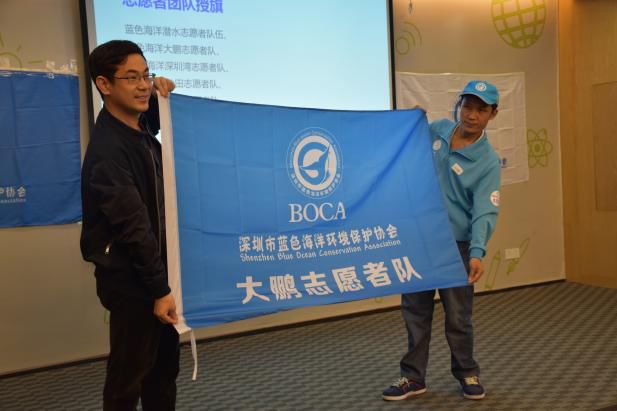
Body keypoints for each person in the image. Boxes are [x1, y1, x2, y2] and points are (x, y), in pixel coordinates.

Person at [383, 80, 501, 401]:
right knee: (415, 312)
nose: (472, 115)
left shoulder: (488, 161)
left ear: (492, 114)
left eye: (481, 110)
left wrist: (477, 252)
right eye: (467, 106)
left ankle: (467, 372)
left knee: (458, 317)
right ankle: (413, 377)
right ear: (458, 106)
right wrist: (410, 120)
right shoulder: (438, 130)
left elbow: (485, 210)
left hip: (457, 247)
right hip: (420, 240)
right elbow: (405, 144)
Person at [80, 39, 179, 411]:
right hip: (133, 280)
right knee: (129, 377)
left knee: (163, 371)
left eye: (146, 76)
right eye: (132, 78)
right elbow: (133, 228)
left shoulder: (135, 128)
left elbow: (149, 125)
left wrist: (161, 99)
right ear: (104, 85)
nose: (143, 85)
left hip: (157, 273)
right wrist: (160, 289)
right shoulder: (108, 151)